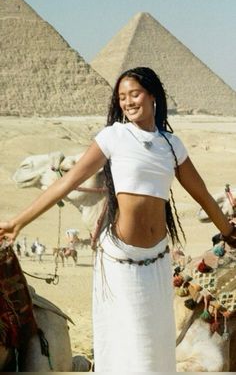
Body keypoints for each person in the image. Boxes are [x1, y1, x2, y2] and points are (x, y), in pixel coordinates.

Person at [0, 67, 236, 372]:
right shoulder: (113, 136)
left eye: (134, 94)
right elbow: (68, 181)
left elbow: (202, 194)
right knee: (130, 345)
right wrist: (19, 221)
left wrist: (228, 231)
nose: (127, 102)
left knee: (156, 346)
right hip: (121, 259)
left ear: (152, 95)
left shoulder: (171, 145)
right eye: (121, 97)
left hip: (158, 259)